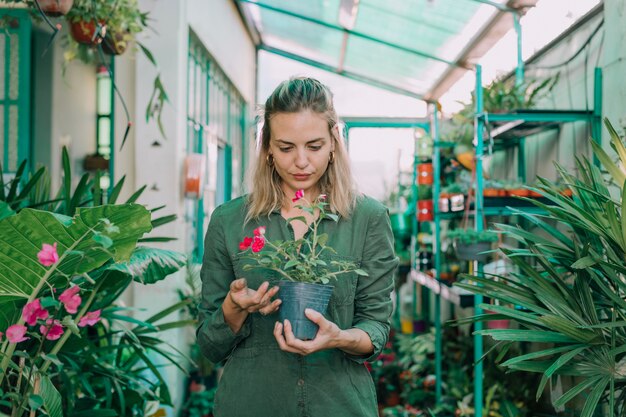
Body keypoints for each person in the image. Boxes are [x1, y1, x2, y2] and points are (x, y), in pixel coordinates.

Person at [197, 77, 398, 417]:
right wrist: (234, 306)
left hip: (339, 405)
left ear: (335, 142)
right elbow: (209, 344)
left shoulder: (368, 218)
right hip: (253, 403)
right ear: (268, 149)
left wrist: (339, 337)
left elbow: (375, 328)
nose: (301, 161)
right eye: (286, 147)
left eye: (315, 146)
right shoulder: (230, 221)